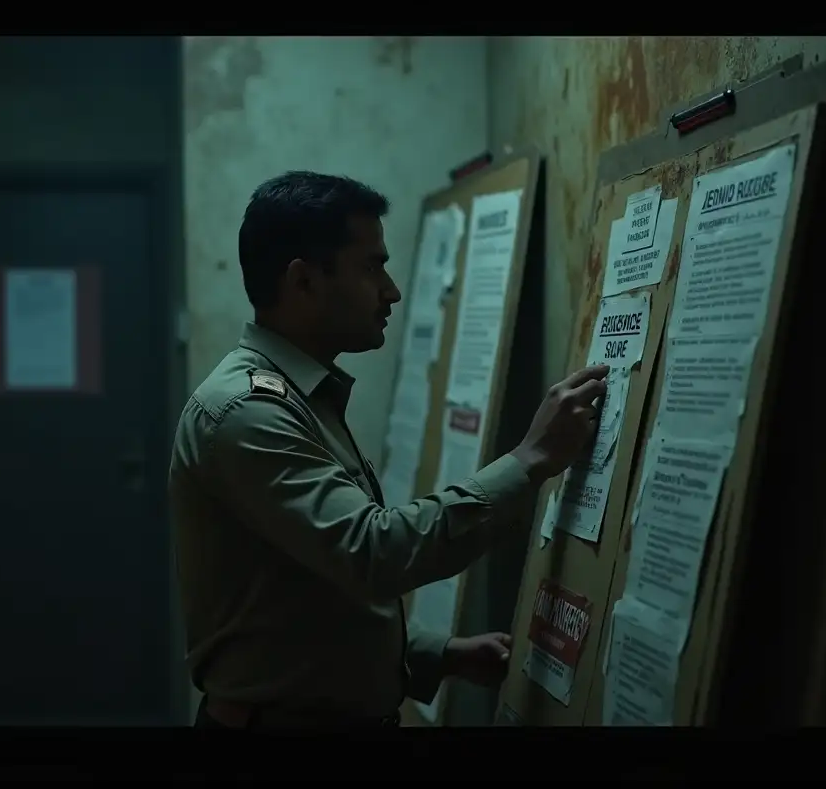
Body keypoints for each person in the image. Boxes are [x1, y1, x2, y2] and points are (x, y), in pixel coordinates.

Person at [170, 170, 608, 729]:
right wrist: (530, 460)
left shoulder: (302, 395)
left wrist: (434, 653)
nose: (392, 289)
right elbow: (371, 553)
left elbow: (304, 594)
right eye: (371, 266)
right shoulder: (246, 412)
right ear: (303, 282)